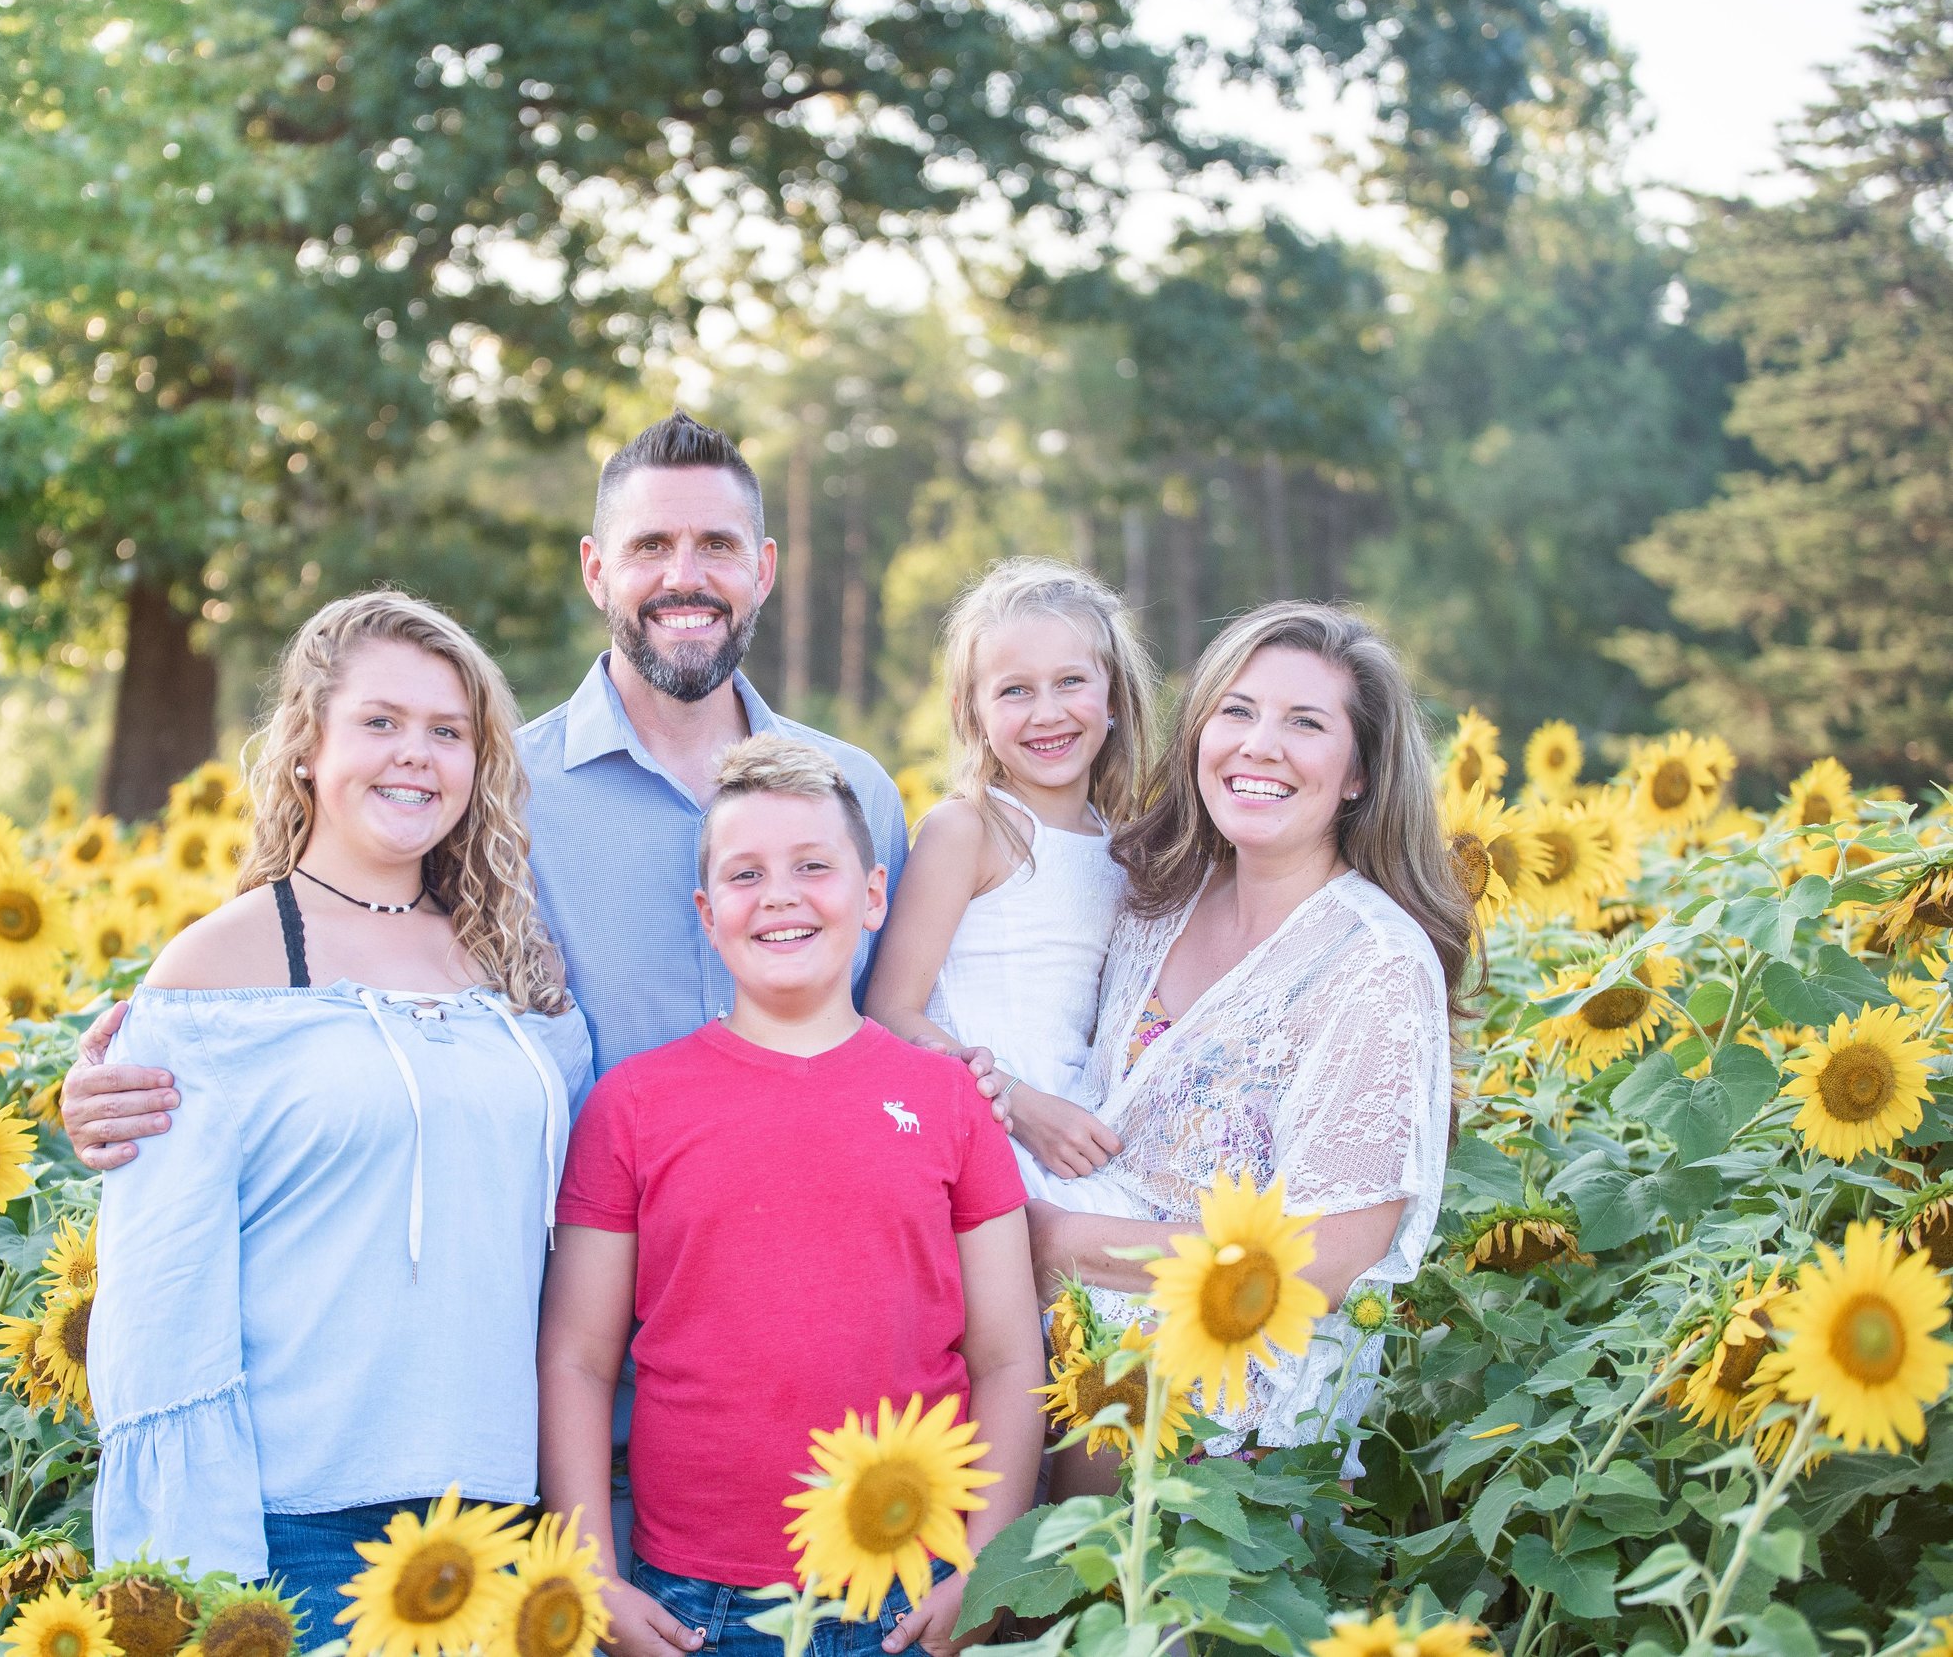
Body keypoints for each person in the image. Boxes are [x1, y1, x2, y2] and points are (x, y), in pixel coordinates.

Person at [56, 408, 963, 1167]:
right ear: (595, 569)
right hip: (571, 1315)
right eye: (650, 545)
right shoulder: (485, 792)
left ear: (762, 568)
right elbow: (340, 941)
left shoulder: (859, 796)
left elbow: (900, 1029)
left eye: (715, 546)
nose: (683, 577)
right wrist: (143, 1057)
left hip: (827, 1282)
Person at [88, 592, 593, 1606]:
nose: (416, 753)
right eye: (381, 722)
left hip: (497, 1517)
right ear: (307, 747)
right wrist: (192, 1575)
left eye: (447, 732)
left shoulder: (512, 965)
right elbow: (161, 1302)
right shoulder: (219, 966)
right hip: (297, 1530)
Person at [540, 737, 1044, 1657]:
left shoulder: (950, 1100)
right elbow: (577, 1356)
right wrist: (590, 1571)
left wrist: (988, 1561)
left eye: (814, 866)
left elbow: (1010, 1354)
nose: (779, 894)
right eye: (745, 873)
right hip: (696, 1603)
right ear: (706, 911)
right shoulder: (634, 1105)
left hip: (912, 1588)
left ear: (875, 893)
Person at [1027, 601, 1473, 1491]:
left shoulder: (1374, 964)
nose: (1258, 745)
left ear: (1357, 774)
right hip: (1078, 1386)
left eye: (1306, 723)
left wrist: (1050, 1237)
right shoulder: (1157, 901)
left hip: (1236, 1460)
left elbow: (1323, 1259)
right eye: (1237, 710)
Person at [866, 559, 1157, 1194]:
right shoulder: (968, 830)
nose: (1046, 712)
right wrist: (1019, 1106)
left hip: (1077, 1134)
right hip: (980, 1129)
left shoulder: (1121, 847)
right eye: (1014, 690)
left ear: (1113, 700)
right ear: (970, 711)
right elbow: (889, 1011)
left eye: (1071, 681)